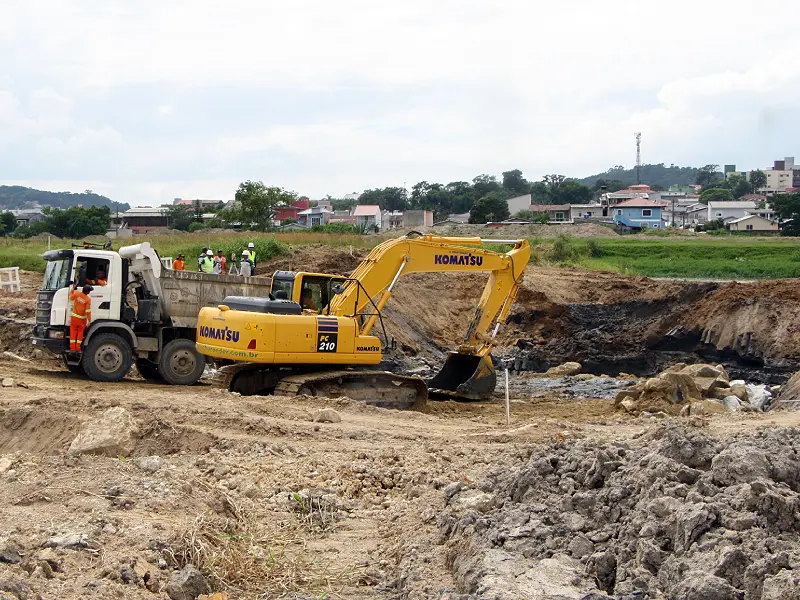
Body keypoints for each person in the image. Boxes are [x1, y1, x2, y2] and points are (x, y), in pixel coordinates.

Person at [69, 284, 93, 351]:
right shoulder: (88, 299)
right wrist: (89, 320)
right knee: (80, 333)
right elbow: (88, 311)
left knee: (73, 333)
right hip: (82, 320)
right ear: (88, 292)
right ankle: (77, 348)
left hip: (74, 318)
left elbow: (70, 297)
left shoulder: (77, 294)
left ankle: (72, 348)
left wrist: (73, 289)